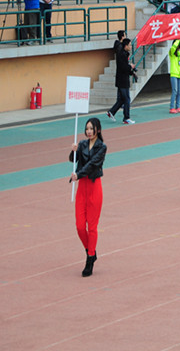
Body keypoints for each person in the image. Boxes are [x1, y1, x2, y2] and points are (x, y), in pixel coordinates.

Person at [69, 117, 107, 277]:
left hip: (94, 187)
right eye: (87, 129)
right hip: (82, 188)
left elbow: (93, 164)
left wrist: (78, 174)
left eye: (91, 128)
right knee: (79, 226)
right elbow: (73, 159)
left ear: (98, 129)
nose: (89, 131)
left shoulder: (102, 147)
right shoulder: (82, 144)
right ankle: (90, 250)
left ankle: (90, 258)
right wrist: (73, 150)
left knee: (92, 226)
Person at [106, 38, 136, 124]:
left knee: (122, 99)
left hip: (122, 79)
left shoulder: (124, 54)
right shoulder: (122, 55)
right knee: (126, 99)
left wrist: (131, 71)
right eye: (129, 45)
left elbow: (124, 68)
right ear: (125, 46)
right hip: (122, 81)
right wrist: (130, 67)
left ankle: (111, 112)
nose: (131, 46)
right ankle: (126, 118)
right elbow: (123, 67)